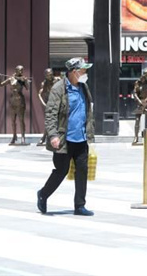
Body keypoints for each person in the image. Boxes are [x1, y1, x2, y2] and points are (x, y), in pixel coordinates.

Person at [37, 57, 95, 216]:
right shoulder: (58, 89)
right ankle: (43, 194)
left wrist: (89, 131)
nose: (85, 73)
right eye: (83, 70)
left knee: (82, 171)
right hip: (64, 140)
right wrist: (53, 135)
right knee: (61, 170)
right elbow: (50, 114)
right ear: (74, 72)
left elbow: (87, 111)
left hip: (81, 138)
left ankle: (80, 205)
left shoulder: (84, 87)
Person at [0, 65, 32, 145]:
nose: (21, 72)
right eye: (19, 70)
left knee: (21, 120)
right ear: (16, 70)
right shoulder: (11, 79)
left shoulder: (22, 79)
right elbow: (0, 85)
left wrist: (26, 81)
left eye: (22, 70)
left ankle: (23, 137)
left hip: (20, 101)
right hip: (12, 101)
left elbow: (28, 88)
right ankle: (14, 136)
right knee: (13, 121)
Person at [37, 68, 59, 146]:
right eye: (47, 75)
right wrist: (44, 104)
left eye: (50, 74)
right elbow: (39, 94)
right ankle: (44, 138)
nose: (49, 76)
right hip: (49, 103)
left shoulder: (58, 80)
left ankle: (44, 138)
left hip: (58, 102)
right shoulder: (44, 83)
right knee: (49, 121)